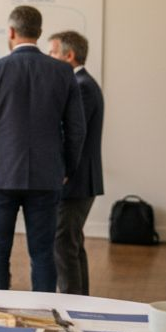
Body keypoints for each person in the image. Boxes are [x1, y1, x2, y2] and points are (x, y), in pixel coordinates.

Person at [0, 6, 85, 291]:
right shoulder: (63, 71)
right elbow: (76, 129)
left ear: (11, 32)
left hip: (1, 174)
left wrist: (0, 121)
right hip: (47, 175)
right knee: (43, 254)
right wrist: (67, 168)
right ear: (40, 32)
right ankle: (43, 311)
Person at [48, 30, 104, 295]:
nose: (48, 57)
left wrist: (63, 170)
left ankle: (71, 304)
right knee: (71, 244)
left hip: (75, 180)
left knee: (63, 245)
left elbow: (72, 133)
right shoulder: (83, 83)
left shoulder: (81, 86)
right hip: (80, 179)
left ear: (68, 55)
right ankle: (81, 301)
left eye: (52, 52)